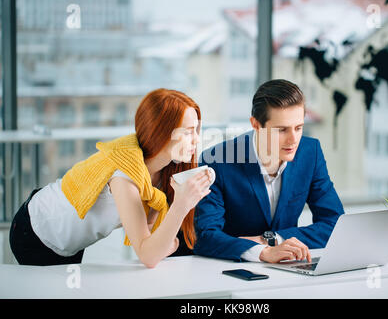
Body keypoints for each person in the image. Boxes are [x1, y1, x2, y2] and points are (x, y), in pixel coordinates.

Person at [9, 88, 213, 267]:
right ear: (160, 133)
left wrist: (164, 243)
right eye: (187, 132)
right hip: (37, 230)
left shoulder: (160, 173)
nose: (196, 139)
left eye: (196, 130)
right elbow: (148, 256)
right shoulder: (124, 176)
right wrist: (181, 205)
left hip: (69, 243)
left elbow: (149, 241)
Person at [194, 79, 345, 263]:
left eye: (299, 128)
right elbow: (205, 236)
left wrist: (271, 240)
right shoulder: (217, 159)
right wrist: (261, 252)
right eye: (281, 130)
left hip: (289, 267)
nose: (293, 140)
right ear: (256, 125)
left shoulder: (310, 152)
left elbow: (337, 225)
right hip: (232, 269)